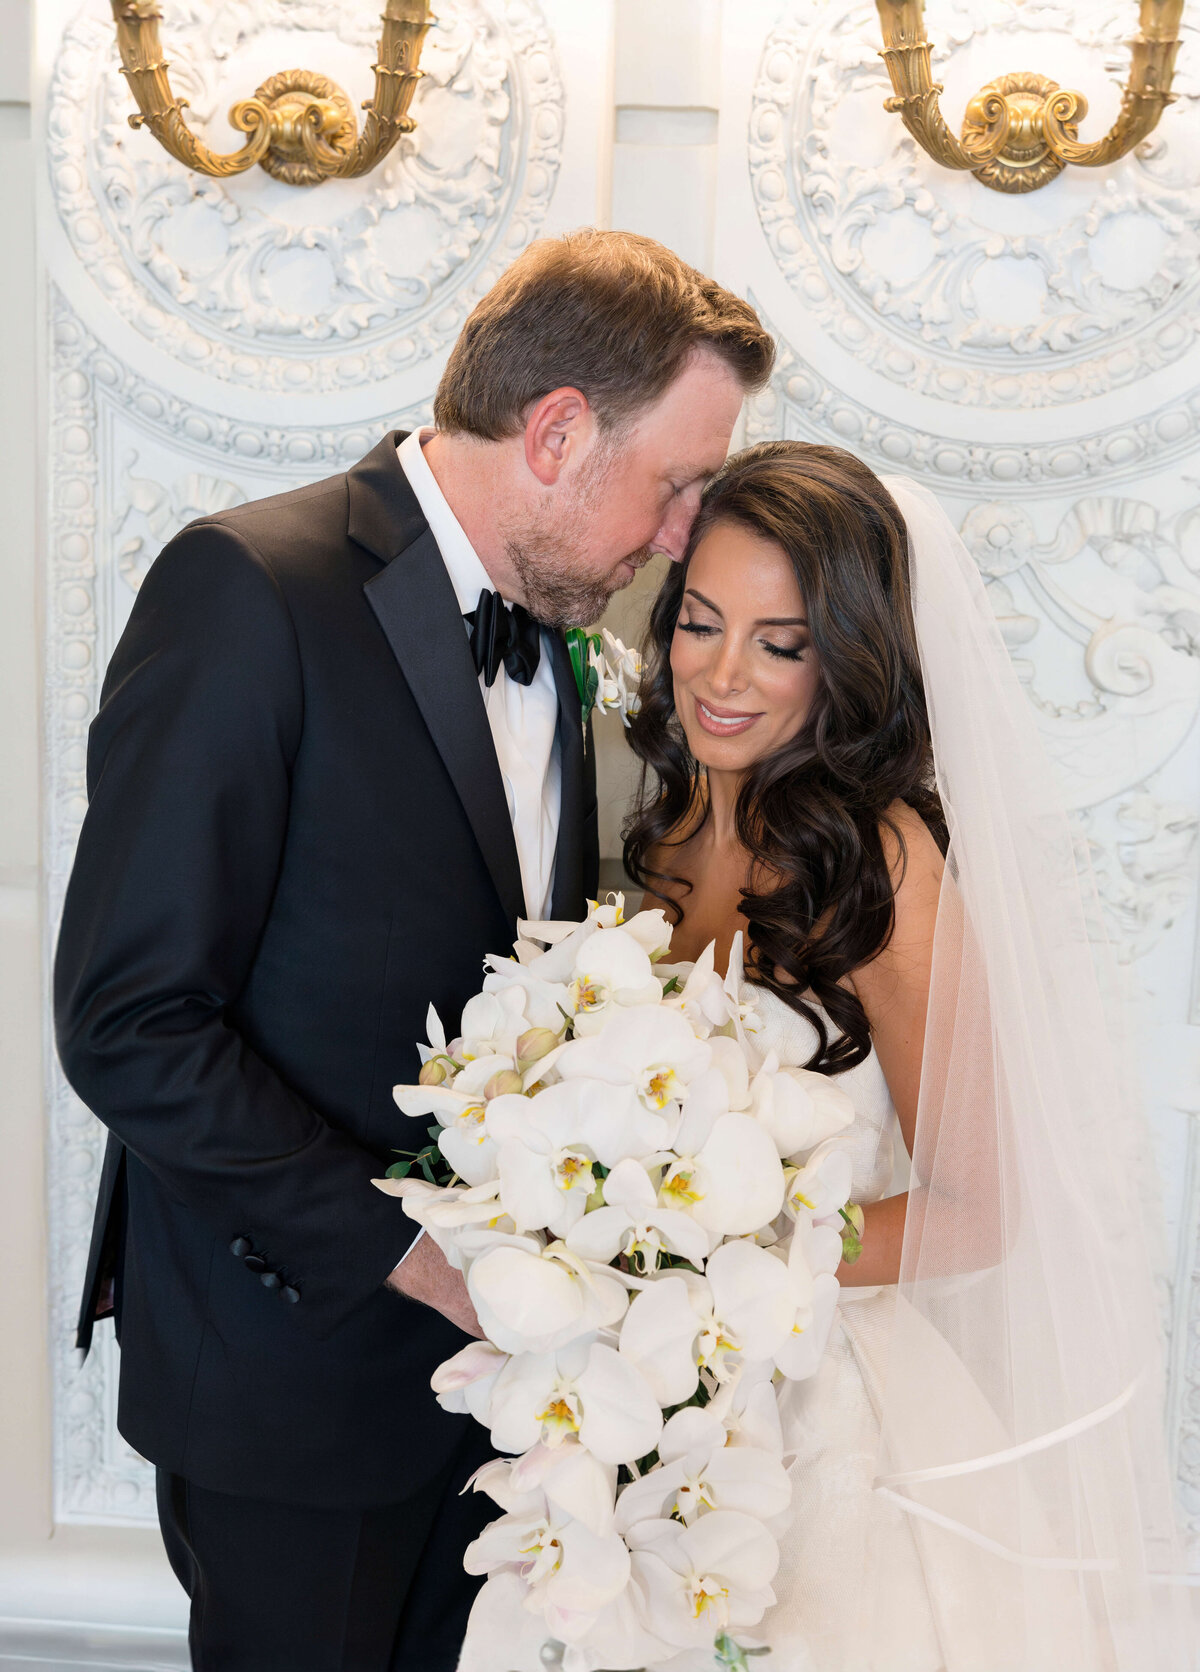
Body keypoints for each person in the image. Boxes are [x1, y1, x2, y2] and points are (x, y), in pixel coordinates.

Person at [52, 229, 774, 1672]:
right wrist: (416, 1258)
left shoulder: (567, 622)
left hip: (515, 1408)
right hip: (295, 1377)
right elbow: (130, 1018)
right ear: (559, 432)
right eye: (677, 482)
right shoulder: (251, 591)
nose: (685, 531)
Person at [611, 442, 1192, 1670]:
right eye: (702, 623)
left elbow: (981, 1211)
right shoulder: (666, 831)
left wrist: (713, 1260)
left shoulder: (879, 864)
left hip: (824, 1416)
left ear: (850, 657)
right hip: (644, 1404)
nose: (722, 675)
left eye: (781, 642)